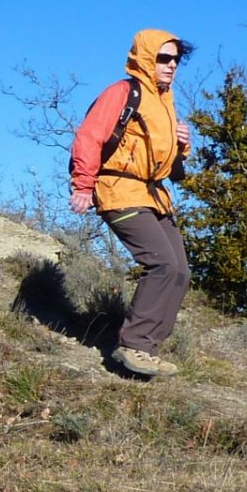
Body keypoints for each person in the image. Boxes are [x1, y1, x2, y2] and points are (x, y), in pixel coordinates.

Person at [69, 29, 194, 378]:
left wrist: (182, 146)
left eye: (176, 60)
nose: (171, 66)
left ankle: (148, 351)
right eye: (163, 58)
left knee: (180, 272)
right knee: (162, 265)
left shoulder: (166, 103)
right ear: (145, 58)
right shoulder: (124, 92)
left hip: (154, 196)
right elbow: (89, 137)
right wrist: (83, 185)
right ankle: (134, 345)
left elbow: (173, 171)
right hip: (119, 190)